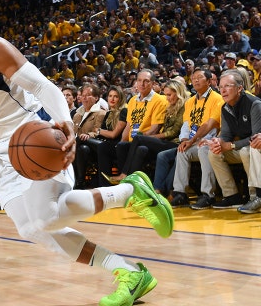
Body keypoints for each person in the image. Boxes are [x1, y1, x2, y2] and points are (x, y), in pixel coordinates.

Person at [0, 0, 173, 305]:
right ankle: (131, 273)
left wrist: (67, 125)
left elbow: (42, 86)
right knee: (32, 228)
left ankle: (130, 192)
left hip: (34, 134)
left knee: (47, 217)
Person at [107, 80, 187, 184]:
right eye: (166, 95)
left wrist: (152, 137)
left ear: (178, 93)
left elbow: (173, 132)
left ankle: (124, 174)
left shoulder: (183, 107)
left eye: (169, 95)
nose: (167, 98)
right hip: (164, 141)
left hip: (174, 143)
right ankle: (132, 183)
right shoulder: (170, 106)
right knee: (132, 146)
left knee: (139, 137)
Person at [167, 68, 224, 208]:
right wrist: (184, 141)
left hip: (212, 140)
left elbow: (210, 125)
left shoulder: (217, 98)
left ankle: (208, 194)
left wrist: (192, 141)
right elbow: (186, 124)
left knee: (204, 149)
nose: (196, 80)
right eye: (193, 78)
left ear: (209, 81)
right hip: (194, 140)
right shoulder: (190, 101)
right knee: (182, 151)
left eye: (199, 77)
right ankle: (180, 194)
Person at [207, 70, 261, 209]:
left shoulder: (254, 104)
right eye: (220, 87)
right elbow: (225, 135)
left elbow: (256, 138)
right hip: (239, 147)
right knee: (213, 152)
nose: (223, 90)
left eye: (227, 86)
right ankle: (231, 195)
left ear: (240, 88)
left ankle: (255, 196)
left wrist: (230, 146)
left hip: (253, 149)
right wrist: (218, 142)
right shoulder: (224, 108)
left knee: (247, 151)